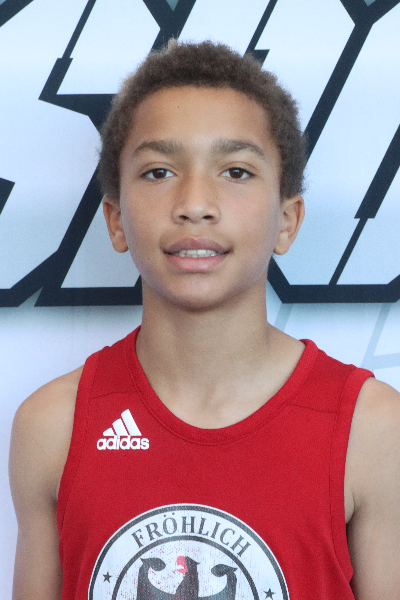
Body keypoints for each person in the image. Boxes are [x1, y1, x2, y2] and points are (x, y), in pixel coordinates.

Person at [9, 40, 400, 600]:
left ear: (287, 221)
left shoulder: (373, 428)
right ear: (115, 220)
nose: (195, 202)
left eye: (236, 171)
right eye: (159, 171)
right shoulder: (52, 427)